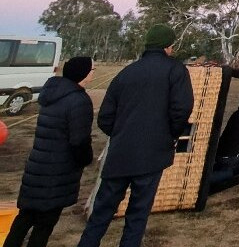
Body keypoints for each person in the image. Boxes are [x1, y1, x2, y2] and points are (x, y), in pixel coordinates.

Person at [76, 25, 193, 247]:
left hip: (120, 154)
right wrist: (169, 135)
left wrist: (122, 135)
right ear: (169, 46)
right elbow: (181, 109)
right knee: (138, 215)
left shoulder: (126, 73)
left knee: (101, 214)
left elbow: (105, 117)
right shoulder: (175, 70)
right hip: (152, 155)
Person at [4, 56, 95, 247]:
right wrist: (86, 159)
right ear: (83, 74)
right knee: (44, 224)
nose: (93, 73)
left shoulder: (52, 94)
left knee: (24, 218)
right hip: (59, 171)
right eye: (92, 70)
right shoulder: (79, 100)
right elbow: (79, 141)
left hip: (38, 166)